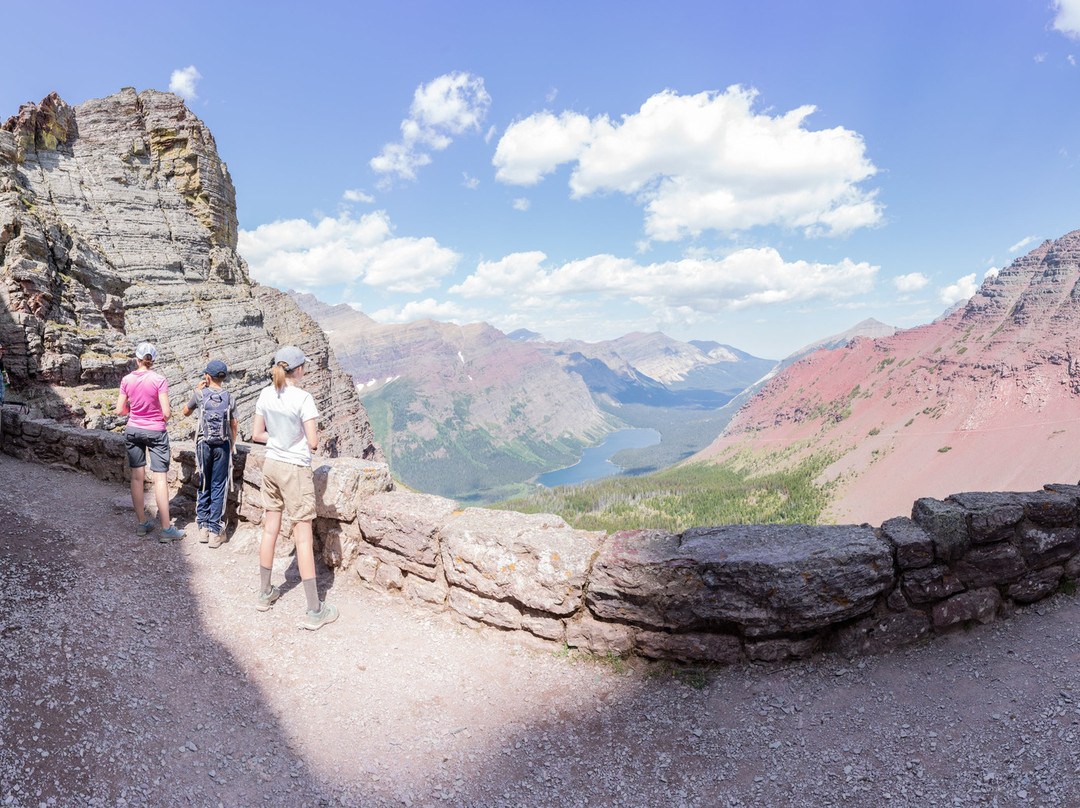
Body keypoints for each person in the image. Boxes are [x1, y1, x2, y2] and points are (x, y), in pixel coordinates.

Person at [251, 346, 338, 630]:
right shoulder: (303, 398)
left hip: (272, 464)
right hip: (295, 469)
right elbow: (312, 442)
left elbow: (257, 434)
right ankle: (315, 610)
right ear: (298, 369)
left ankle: (264, 594)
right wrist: (295, 441)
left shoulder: (265, 394)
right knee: (302, 537)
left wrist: (278, 439)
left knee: (269, 529)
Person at [116, 342, 185, 542]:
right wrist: (155, 416)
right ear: (152, 360)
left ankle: (142, 523)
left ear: (136, 359)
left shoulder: (127, 379)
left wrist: (135, 412)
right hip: (155, 432)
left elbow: (120, 410)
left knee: (137, 477)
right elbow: (167, 413)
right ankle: (166, 529)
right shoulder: (159, 380)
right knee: (160, 479)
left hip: (133, 430)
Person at [182, 359, 238, 549]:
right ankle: (216, 531)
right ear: (224, 378)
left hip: (203, 445)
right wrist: (233, 444)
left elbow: (185, 412)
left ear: (207, 376)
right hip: (222, 445)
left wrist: (197, 391)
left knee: (204, 482)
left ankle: (203, 527)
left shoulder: (200, 395)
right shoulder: (229, 397)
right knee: (218, 485)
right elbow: (234, 423)